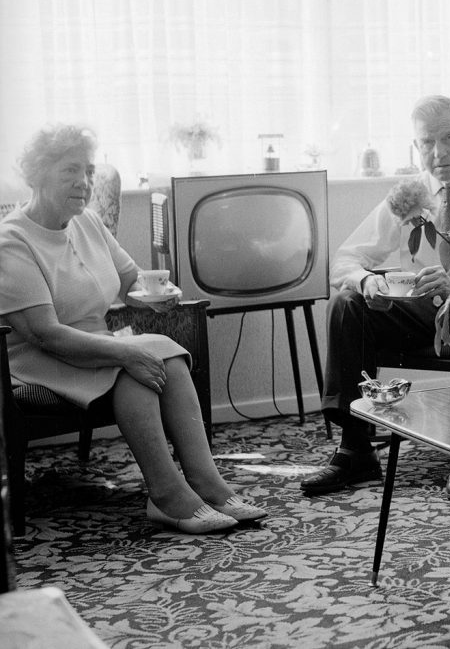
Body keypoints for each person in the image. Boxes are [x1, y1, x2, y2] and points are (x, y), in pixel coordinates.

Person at [0, 124, 266, 534]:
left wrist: (158, 292)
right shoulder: (12, 241)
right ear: (37, 174)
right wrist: (126, 352)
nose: (84, 183)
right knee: (135, 368)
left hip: (92, 345)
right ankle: (167, 495)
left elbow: (131, 280)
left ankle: (206, 483)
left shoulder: (86, 221)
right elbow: (44, 333)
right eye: (70, 170)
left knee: (168, 358)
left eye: (89, 171)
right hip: (39, 359)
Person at [301, 95, 450, 503]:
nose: (439, 152)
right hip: (420, 311)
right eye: (428, 142)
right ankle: (355, 448)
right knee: (346, 302)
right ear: (416, 148)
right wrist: (365, 280)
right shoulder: (411, 196)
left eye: (448, 138)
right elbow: (345, 258)